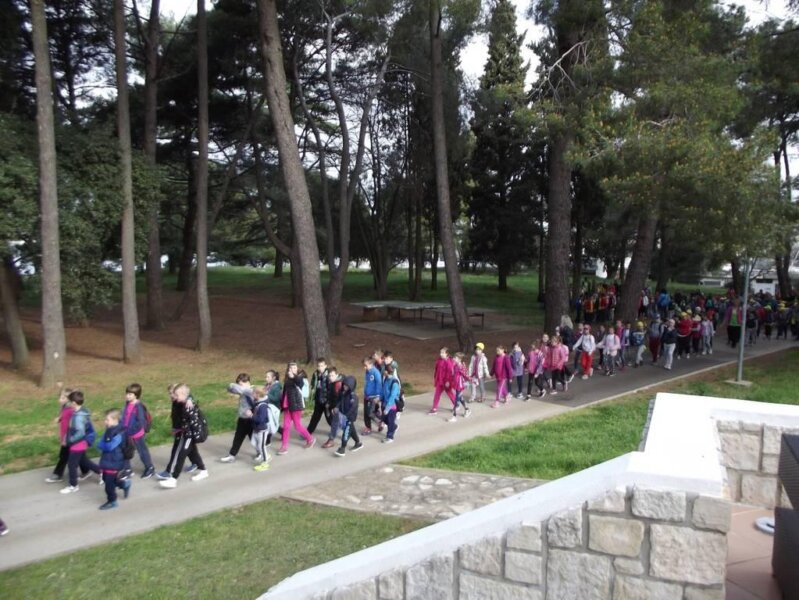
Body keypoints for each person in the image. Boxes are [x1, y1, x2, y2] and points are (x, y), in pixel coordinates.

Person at [158, 384, 208, 488]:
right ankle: (204, 471)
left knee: (181, 455)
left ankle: (173, 479)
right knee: (193, 453)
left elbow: (194, 423)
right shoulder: (181, 402)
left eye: (176, 395)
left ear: (183, 395)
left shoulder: (189, 406)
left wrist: (192, 435)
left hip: (189, 435)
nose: (174, 397)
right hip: (186, 434)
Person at [46, 387, 90, 484]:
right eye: (60, 397)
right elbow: (64, 417)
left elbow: (74, 424)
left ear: (69, 400)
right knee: (79, 456)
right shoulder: (65, 408)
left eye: (62, 398)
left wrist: (67, 438)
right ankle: (86, 470)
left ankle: (58, 474)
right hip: (66, 437)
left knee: (64, 456)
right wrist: (59, 419)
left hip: (70, 438)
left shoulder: (72, 410)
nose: (59, 399)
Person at [60, 390, 101, 494]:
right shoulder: (80, 411)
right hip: (80, 443)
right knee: (84, 461)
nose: (68, 403)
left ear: (74, 403)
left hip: (78, 444)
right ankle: (102, 472)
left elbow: (80, 433)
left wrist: (69, 440)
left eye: (69, 402)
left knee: (71, 465)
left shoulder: (78, 417)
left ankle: (73, 485)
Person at [96, 409, 132, 510]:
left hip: (115, 461)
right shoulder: (109, 429)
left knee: (108, 484)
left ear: (115, 420)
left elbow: (109, 446)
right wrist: (102, 444)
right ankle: (124, 484)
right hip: (108, 460)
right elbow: (101, 442)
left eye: (107, 420)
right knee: (106, 479)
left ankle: (112, 501)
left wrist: (101, 445)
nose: (105, 422)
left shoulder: (120, 433)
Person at [277, 362, 315, 455]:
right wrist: (281, 404)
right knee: (286, 426)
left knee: (297, 426)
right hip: (287, 405)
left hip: (296, 405)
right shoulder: (287, 379)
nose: (292, 369)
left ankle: (310, 439)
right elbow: (285, 392)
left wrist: (294, 376)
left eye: (294, 368)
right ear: (288, 369)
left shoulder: (299, 377)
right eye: (291, 368)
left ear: (297, 369)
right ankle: (284, 447)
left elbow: (300, 383)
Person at [120, 383, 155, 479]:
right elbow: (125, 417)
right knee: (125, 451)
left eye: (130, 394)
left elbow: (141, 422)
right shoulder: (128, 403)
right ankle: (127, 470)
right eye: (127, 393)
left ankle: (150, 468)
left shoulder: (139, 406)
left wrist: (132, 430)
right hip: (126, 432)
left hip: (136, 434)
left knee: (142, 451)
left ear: (136, 395)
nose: (127, 396)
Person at [219, 374, 255, 464]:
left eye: (240, 384)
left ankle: (262, 453)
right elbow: (230, 388)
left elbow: (236, 388)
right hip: (242, 418)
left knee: (254, 439)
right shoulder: (242, 390)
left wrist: (233, 386)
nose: (239, 387)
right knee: (238, 438)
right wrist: (232, 387)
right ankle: (232, 455)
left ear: (247, 382)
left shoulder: (250, 390)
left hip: (250, 419)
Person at [334, 376, 363, 457]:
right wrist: (337, 407)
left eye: (347, 385)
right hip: (344, 415)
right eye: (344, 385)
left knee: (346, 432)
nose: (344, 386)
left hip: (349, 417)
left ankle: (342, 448)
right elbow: (340, 401)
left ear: (351, 386)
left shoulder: (353, 396)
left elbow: (353, 408)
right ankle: (358, 443)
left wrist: (346, 416)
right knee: (351, 430)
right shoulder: (343, 393)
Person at [306, 358, 332, 435]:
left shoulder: (328, 374)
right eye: (318, 366)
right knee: (315, 417)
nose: (320, 368)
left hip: (326, 401)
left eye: (322, 366)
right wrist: (312, 391)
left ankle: (336, 429)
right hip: (318, 399)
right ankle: (308, 432)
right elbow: (313, 384)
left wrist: (329, 401)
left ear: (325, 366)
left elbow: (330, 388)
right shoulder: (315, 374)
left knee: (329, 418)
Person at [250, 387, 273, 472]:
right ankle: (265, 454)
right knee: (253, 443)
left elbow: (261, 419)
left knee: (261, 446)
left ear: (258, 395)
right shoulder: (256, 403)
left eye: (253, 393)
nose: (252, 394)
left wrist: (251, 416)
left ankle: (265, 463)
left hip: (262, 430)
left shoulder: (263, 406)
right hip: (255, 428)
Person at [321, 367, 344, 449]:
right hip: (334, 407)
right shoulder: (331, 383)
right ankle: (354, 438)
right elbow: (331, 395)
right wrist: (328, 403)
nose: (330, 377)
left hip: (338, 408)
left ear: (337, 375)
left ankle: (331, 440)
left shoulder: (338, 384)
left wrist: (336, 407)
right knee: (342, 424)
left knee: (335, 423)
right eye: (329, 376)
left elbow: (341, 398)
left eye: (332, 375)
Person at [429, 347, 454, 415]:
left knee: (449, 393)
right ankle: (434, 408)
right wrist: (436, 377)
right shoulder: (439, 360)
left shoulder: (449, 362)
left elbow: (450, 373)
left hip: (446, 382)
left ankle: (456, 404)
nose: (441, 354)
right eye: (440, 352)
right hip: (440, 381)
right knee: (437, 394)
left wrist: (448, 381)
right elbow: (437, 370)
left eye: (443, 353)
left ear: (447, 354)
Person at [380, 365, 401, 442]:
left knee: (390, 420)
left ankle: (390, 437)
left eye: (384, 370)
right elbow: (384, 390)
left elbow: (393, 396)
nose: (382, 372)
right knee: (384, 419)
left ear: (387, 371)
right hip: (385, 403)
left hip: (392, 406)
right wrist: (380, 399)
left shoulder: (394, 382)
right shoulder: (386, 379)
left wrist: (387, 408)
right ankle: (394, 427)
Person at [362, 357, 383, 431]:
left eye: (366, 365)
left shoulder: (375, 372)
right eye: (364, 366)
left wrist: (378, 396)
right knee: (366, 413)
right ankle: (368, 427)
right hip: (367, 395)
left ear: (371, 364)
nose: (364, 367)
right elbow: (368, 383)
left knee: (370, 413)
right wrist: (365, 393)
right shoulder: (367, 372)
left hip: (373, 396)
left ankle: (380, 422)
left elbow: (379, 384)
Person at [448, 353, 470, 421]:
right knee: (460, 398)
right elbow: (453, 374)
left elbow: (466, 375)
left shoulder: (460, 366)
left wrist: (473, 381)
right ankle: (467, 410)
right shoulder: (455, 365)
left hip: (460, 385)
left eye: (455, 358)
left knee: (456, 401)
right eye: (454, 357)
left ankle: (454, 416)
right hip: (456, 384)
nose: (454, 359)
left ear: (459, 359)